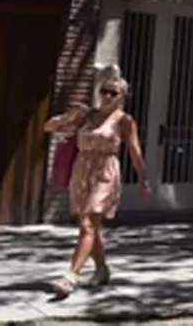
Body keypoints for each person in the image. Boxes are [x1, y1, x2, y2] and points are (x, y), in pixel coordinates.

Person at [41, 71, 149, 297]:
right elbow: (48, 127)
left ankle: (71, 276)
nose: (107, 96)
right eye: (104, 91)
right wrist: (70, 117)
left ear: (122, 97)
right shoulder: (86, 115)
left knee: (88, 223)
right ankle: (102, 269)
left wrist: (143, 178)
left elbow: (134, 150)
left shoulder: (124, 121)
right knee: (91, 226)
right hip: (82, 171)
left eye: (113, 93)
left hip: (105, 173)